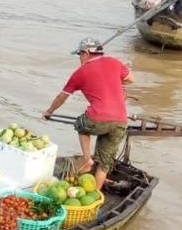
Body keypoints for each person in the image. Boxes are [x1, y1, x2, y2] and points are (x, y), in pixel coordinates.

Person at [42, 38, 134, 191]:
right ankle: (95, 196)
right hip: (120, 120)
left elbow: (62, 97)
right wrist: (115, 81)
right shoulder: (115, 62)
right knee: (105, 164)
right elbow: (131, 79)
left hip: (97, 117)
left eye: (79, 55)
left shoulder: (80, 72)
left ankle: (87, 159)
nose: (79, 58)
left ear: (86, 53)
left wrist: (49, 112)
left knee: (81, 125)